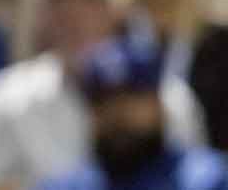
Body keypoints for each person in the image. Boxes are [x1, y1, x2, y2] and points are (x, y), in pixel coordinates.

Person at [0, 0, 206, 190]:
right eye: (57, 2)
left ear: (113, 10)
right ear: (38, 16)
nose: (71, 16)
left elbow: (194, 176)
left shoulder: (167, 97)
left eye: (85, 0)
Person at [36, 35, 228, 190]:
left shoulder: (206, 179)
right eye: (104, 101)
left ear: (158, 105)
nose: (119, 114)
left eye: (131, 99)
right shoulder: (65, 185)